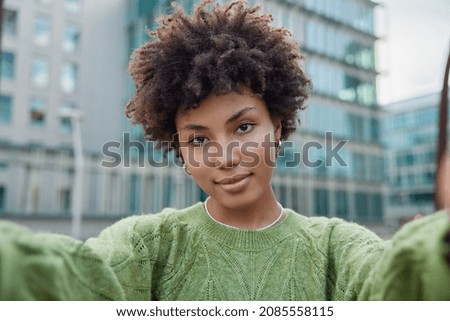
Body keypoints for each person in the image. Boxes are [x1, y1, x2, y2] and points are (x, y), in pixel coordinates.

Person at [0, 0, 449, 300]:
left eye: (244, 126)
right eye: (198, 139)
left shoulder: (338, 248)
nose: (225, 155)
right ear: (178, 148)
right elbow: (67, 281)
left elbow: (402, 280)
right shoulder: (147, 246)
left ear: (278, 124)